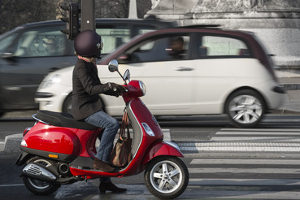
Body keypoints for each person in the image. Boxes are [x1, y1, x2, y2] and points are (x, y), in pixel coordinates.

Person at [72, 30, 127, 193]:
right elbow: (90, 89)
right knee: (111, 124)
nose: (99, 48)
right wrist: (108, 86)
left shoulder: (89, 64)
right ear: (90, 47)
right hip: (84, 110)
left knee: (107, 139)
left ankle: (105, 182)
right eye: (97, 45)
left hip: (91, 107)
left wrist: (117, 90)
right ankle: (100, 163)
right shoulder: (81, 66)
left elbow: (97, 86)